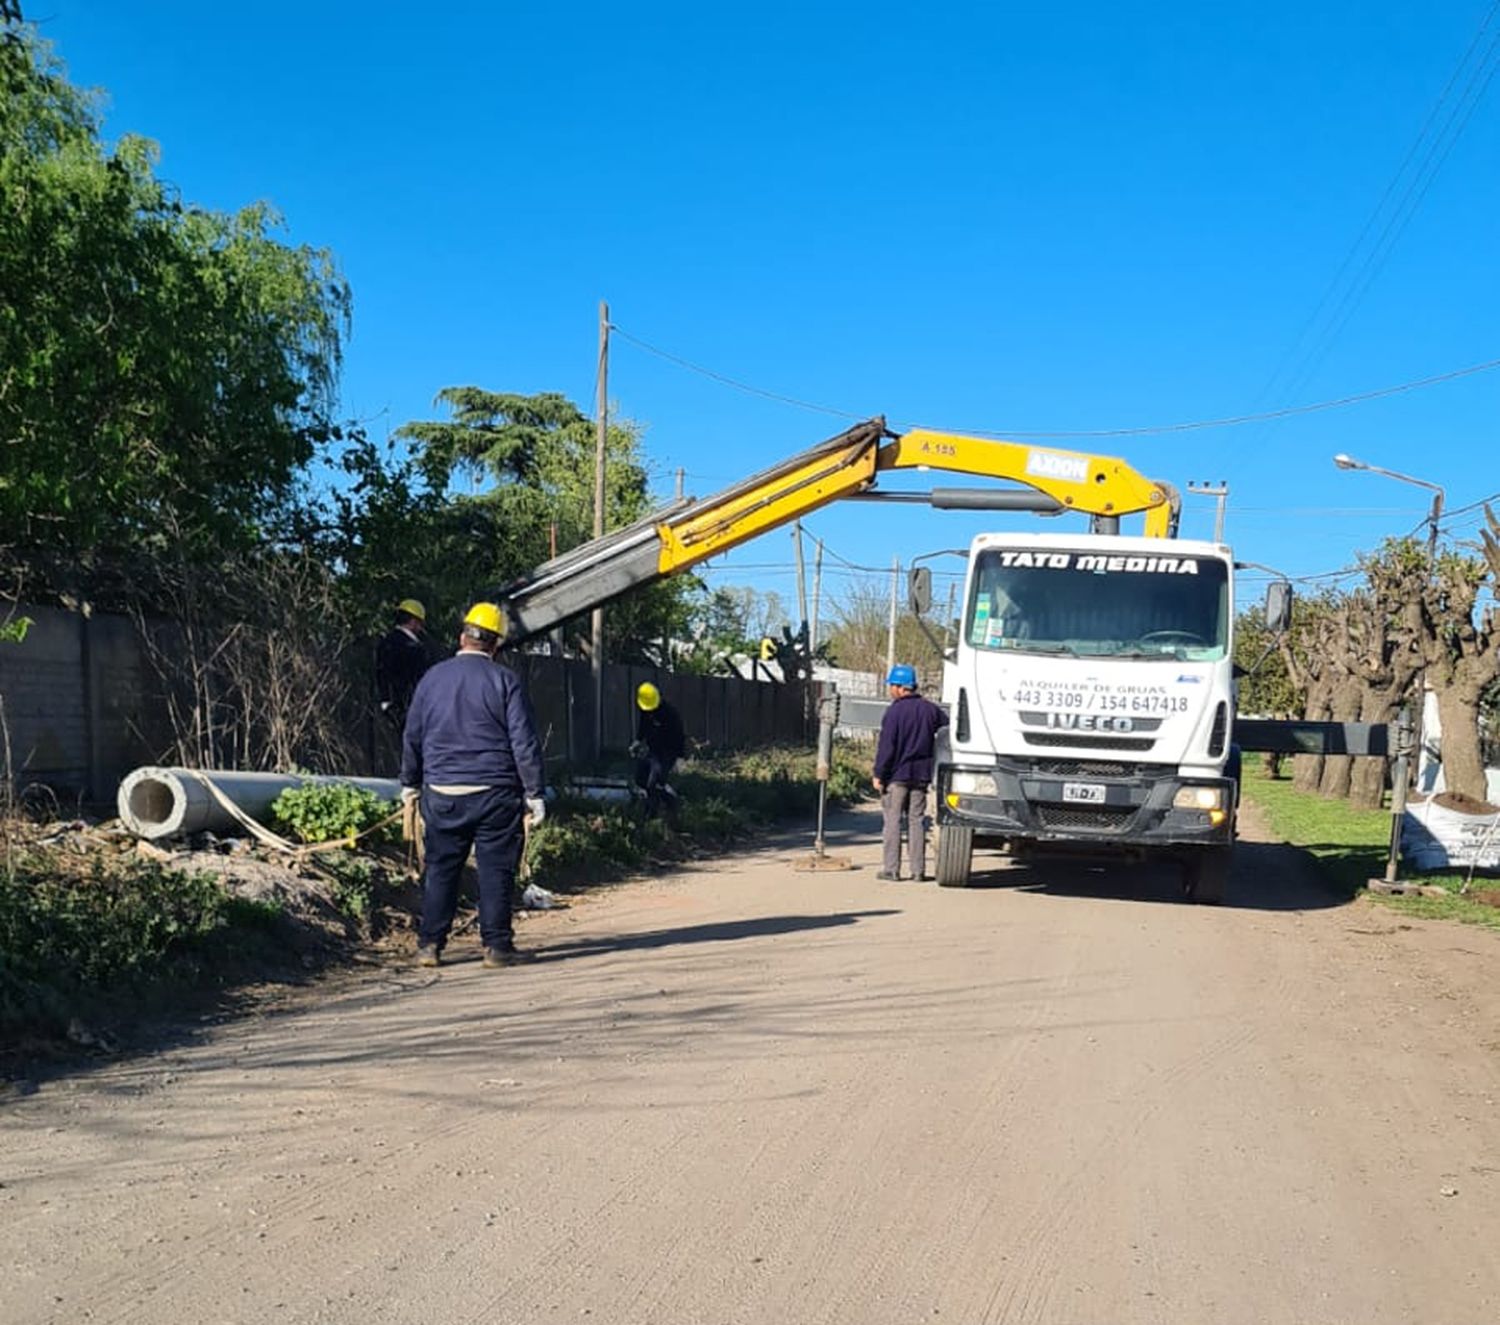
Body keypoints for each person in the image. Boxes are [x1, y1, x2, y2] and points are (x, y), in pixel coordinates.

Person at [400, 602, 547, 969]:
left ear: (462, 636)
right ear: (495, 645)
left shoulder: (431, 679)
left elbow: (413, 735)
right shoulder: (504, 681)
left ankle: (429, 946)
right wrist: (534, 792)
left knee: (441, 868)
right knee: (495, 869)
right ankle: (497, 948)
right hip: (494, 794)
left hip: (442, 793)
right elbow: (523, 742)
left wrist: (410, 782)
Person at [873, 663, 949, 882]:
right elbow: (946, 729)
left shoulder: (894, 712)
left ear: (900, 687)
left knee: (893, 821)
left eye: (892, 686)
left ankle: (892, 869)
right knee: (916, 821)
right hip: (921, 776)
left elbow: (887, 747)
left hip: (897, 777)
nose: (890, 690)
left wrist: (879, 774)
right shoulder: (930, 710)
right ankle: (918, 870)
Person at [632, 682, 684, 822]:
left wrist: (679, 758)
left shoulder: (670, 713)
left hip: (668, 752)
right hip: (652, 750)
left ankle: (654, 814)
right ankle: (663, 797)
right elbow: (643, 726)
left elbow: (679, 735)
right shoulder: (646, 709)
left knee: (653, 783)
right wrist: (637, 741)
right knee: (640, 779)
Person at [375, 598, 431, 728]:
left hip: (388, 706)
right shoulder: (414, 648)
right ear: (413, 622)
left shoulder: (385, 643)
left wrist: (386, 702)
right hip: (410, 707)